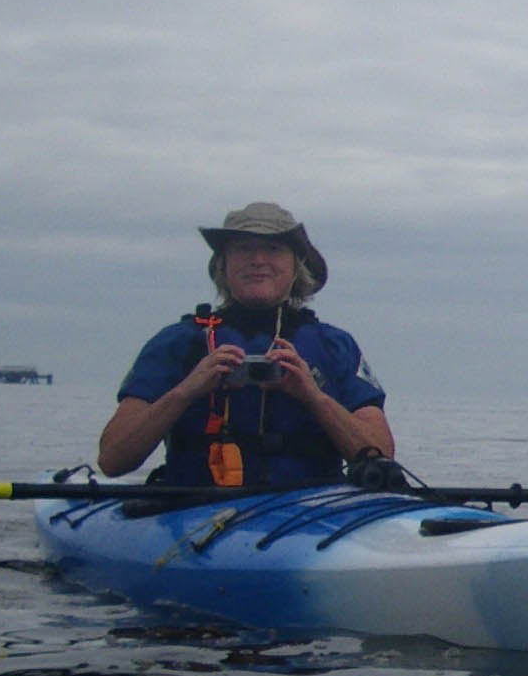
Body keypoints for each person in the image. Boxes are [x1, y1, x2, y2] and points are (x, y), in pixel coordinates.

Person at [98, 201, 393, 487]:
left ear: (296, 265)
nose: (258, 260)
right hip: (197, 507)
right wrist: (187, 391)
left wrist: (314, 397)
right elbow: (112, 460)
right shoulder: (176, 343)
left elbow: (382, 456)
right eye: (244, 249)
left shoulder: (335, 345)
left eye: (273, 249)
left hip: (312, 509)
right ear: (223, 264)